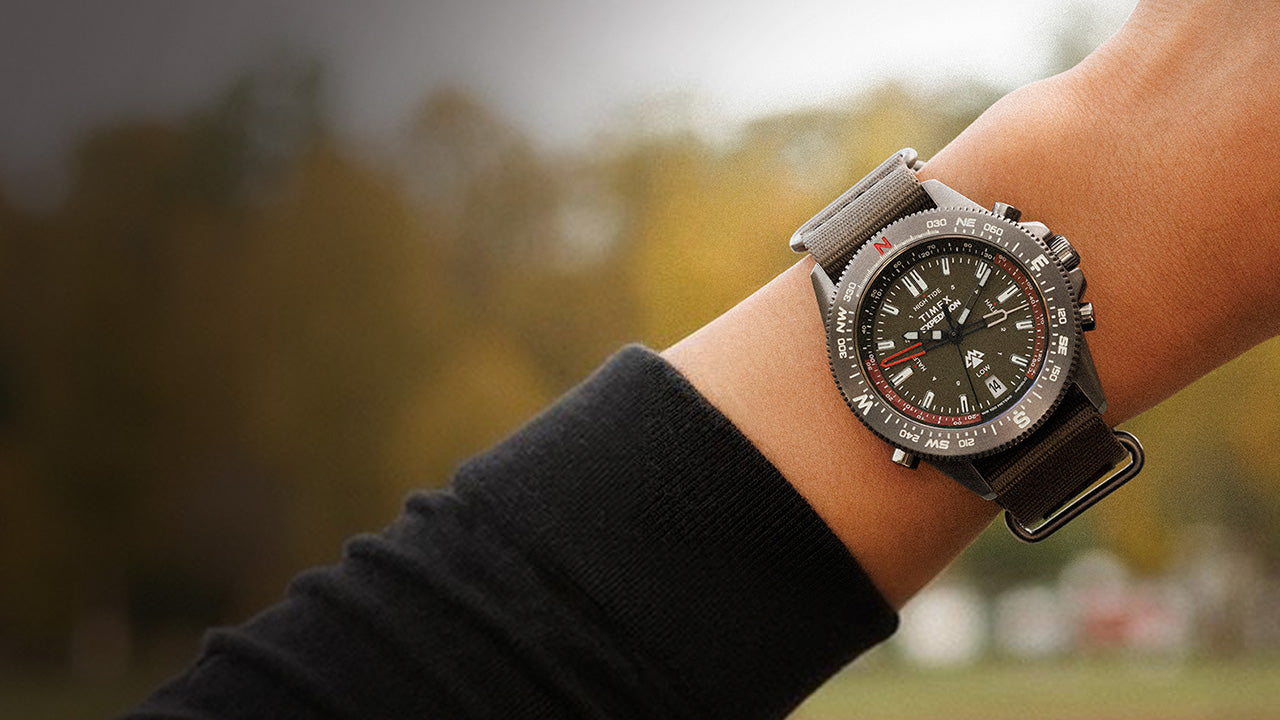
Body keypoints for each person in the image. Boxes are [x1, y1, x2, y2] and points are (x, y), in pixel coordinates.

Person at [126, 1, 1280, 717]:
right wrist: (1130, 146)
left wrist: (1134, 139)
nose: (929, 335)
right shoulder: (920, 328)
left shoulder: (963, 309)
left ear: (1044, 276)